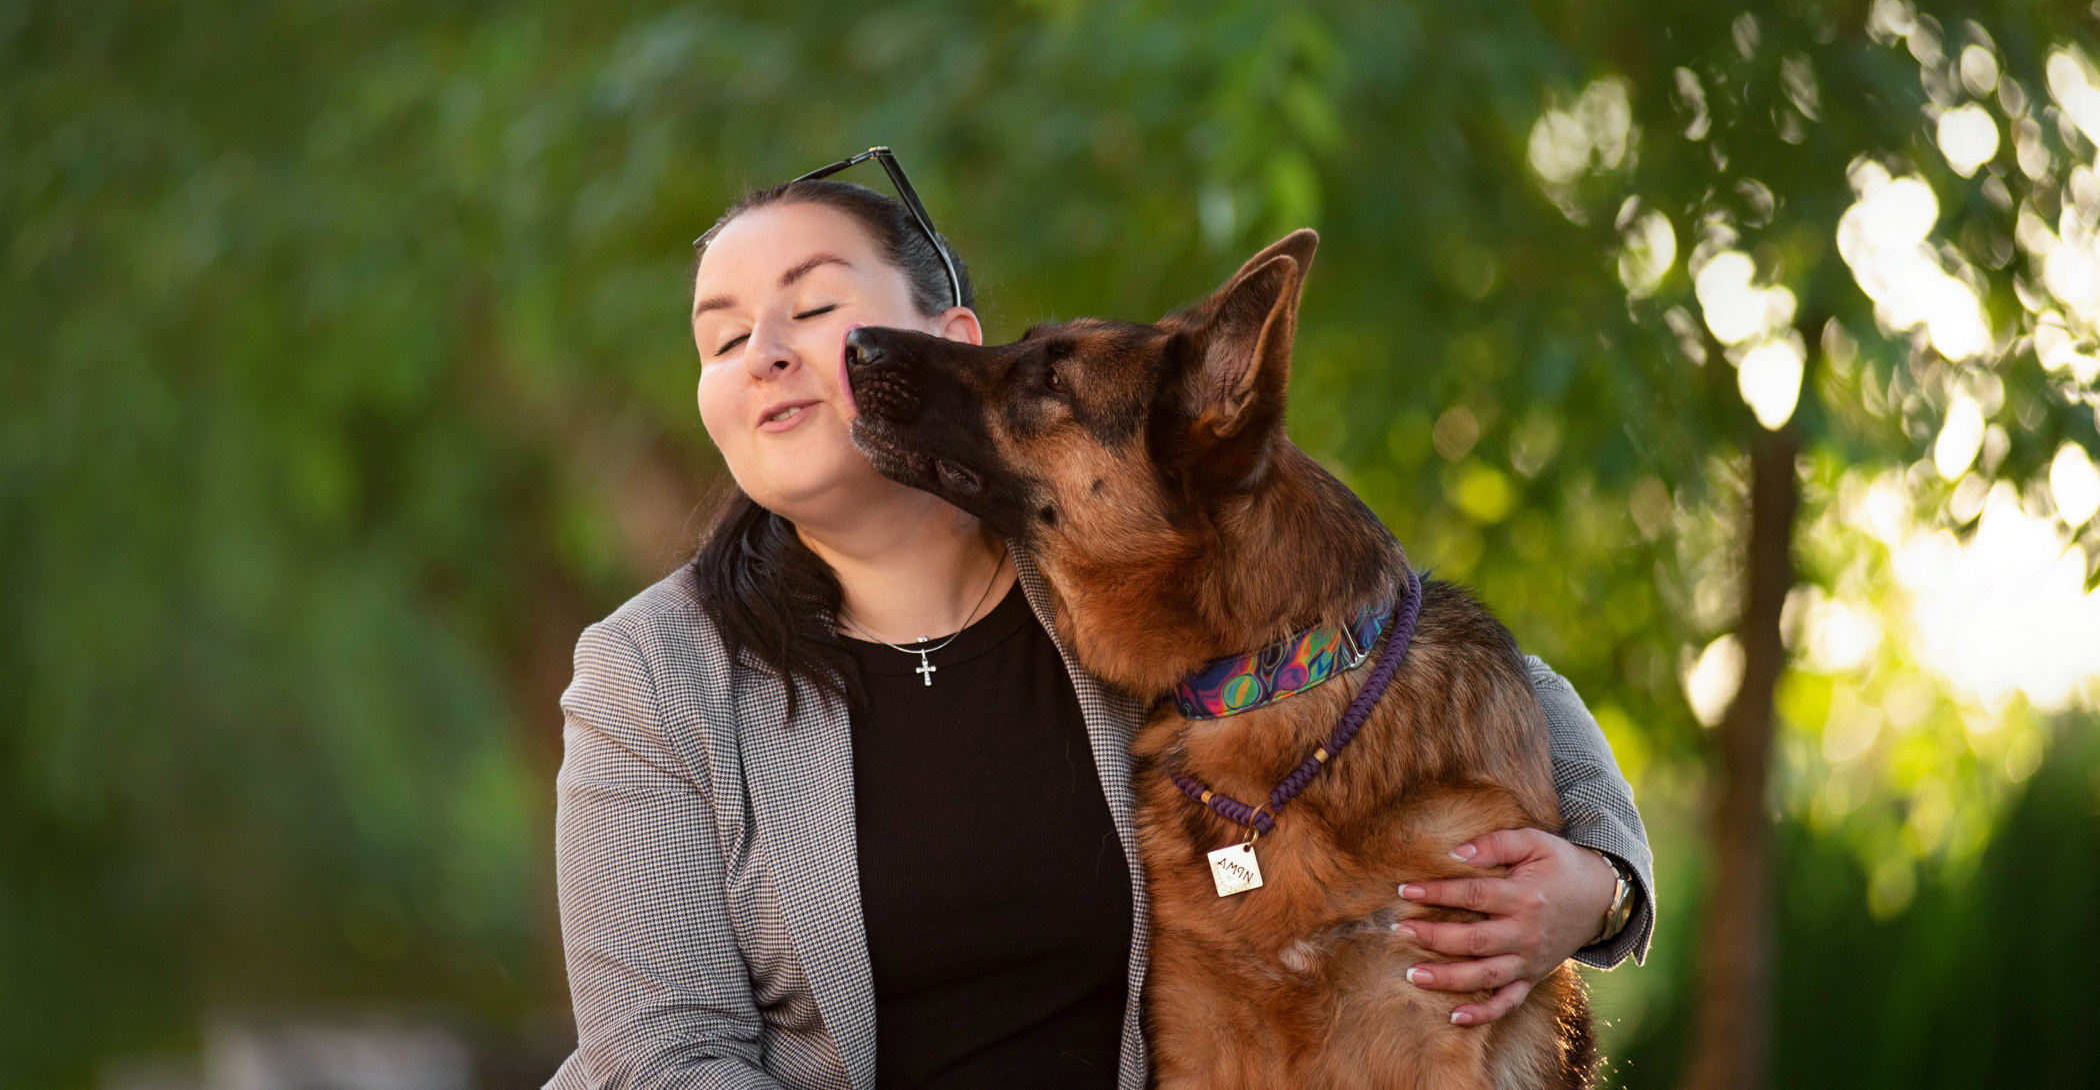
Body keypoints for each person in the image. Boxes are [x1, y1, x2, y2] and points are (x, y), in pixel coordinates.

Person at [546, 164, 1654, 1090]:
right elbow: (663, 1059)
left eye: (813, 305)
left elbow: (1429, 663)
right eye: (722, 337)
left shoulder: (1116, 589)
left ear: (951, 336)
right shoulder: (651, 676)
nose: (764, 351)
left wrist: (1599, 882)